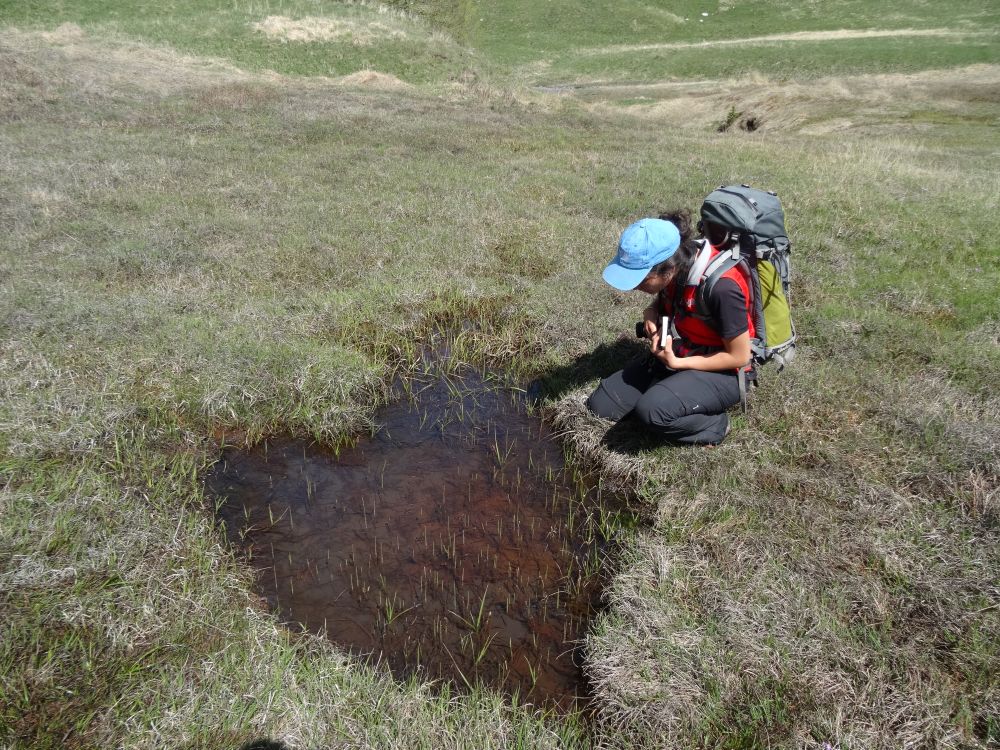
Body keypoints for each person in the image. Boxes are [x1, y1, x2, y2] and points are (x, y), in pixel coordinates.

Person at [586, 210, 756, 445]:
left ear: (668, 269)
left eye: (641, 280)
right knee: (602, 405)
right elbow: (667, 302)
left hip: (723, 372)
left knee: (652, 413)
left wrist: (678, 363)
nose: (635, 287)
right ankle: (669, 390)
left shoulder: (723, 289)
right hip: (680, 352)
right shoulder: (679, 265)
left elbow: (739, 356)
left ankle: (716, 425)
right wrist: (651, 313)